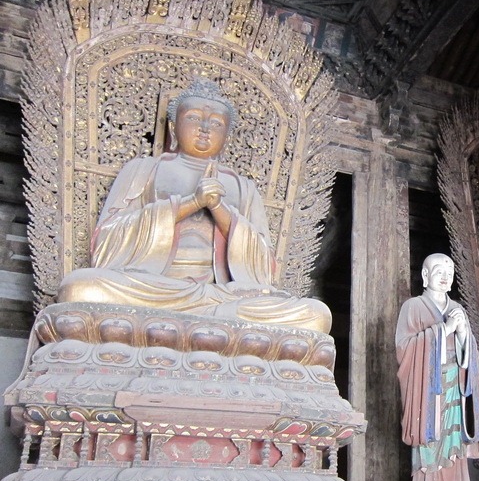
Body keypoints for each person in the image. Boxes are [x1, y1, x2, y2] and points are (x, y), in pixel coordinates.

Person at [57, 78, 331, 333]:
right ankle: (207, 330)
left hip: (222, 296)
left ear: (227, 136)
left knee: (315, 315)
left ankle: (192, 325)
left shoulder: (243, 187)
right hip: (155, 289)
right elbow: (106, 243)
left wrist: (219, 209)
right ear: (173, 128)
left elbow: (263, 265)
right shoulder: (143, 170)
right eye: (193, 118)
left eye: (216, 123)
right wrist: (192, 203)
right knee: (80, 288)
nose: (205, 128)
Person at [395, 253, 479, 481]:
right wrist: (443, 330)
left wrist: (462, 334)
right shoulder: (413, 307)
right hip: (428, 386)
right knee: (432, 432)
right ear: (425, 276)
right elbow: (403, 347)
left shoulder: (457, 309)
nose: (445, 277)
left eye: (449, 273)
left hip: (455, 382)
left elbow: (470, 353)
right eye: (439, 272)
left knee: (454, 435)